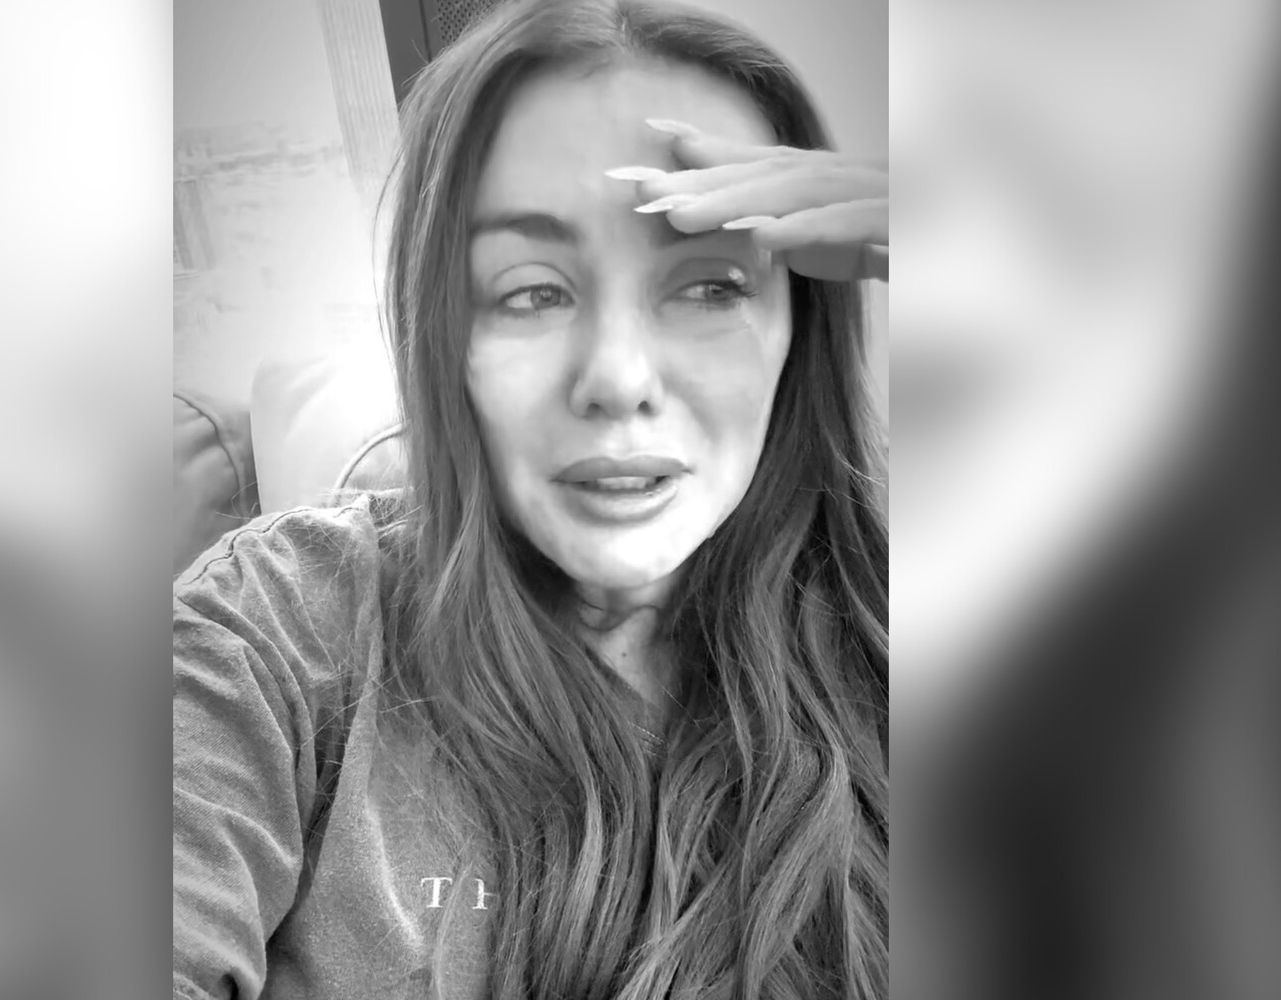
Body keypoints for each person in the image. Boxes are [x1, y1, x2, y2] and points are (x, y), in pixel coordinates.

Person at [173, 1, 887, 997]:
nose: (619, 378)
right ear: (445, 337)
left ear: (798, 327)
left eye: (711, 285)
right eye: (532, 291)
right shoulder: (278, 632)